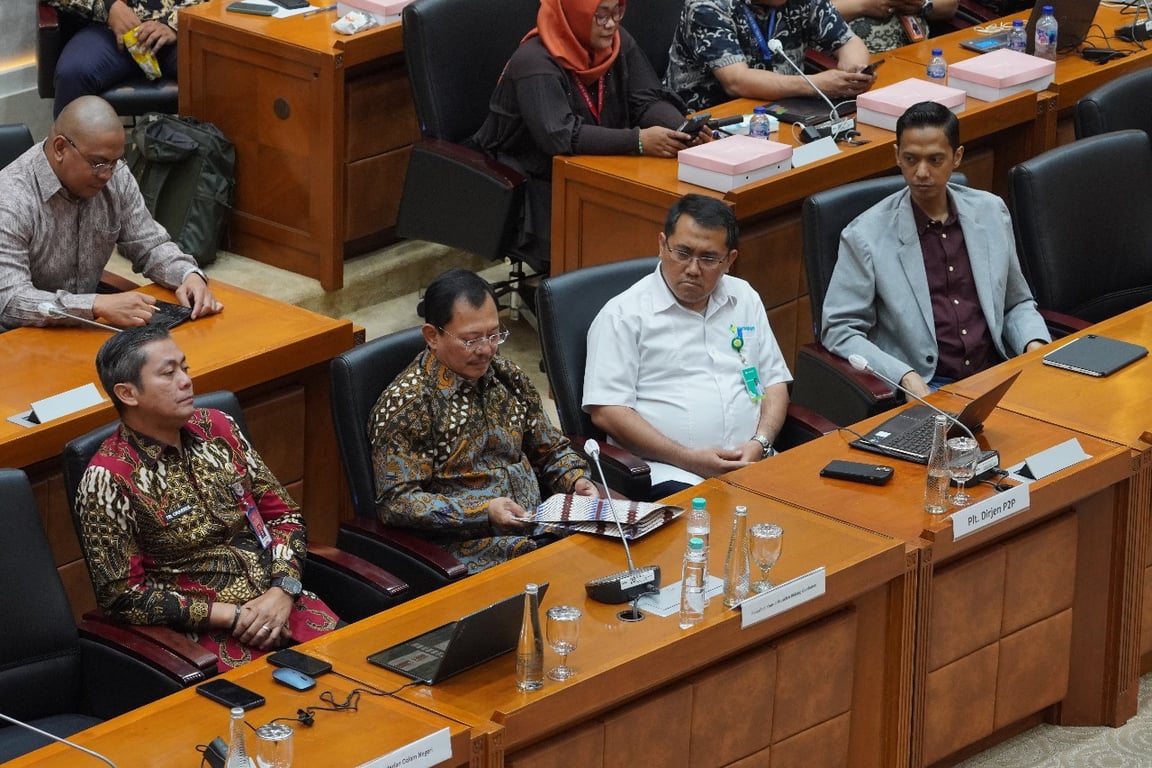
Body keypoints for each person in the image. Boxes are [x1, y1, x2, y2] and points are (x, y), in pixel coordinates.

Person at [77, 325, 338, 672]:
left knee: (372, 689)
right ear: (127, 393)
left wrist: (283, 589)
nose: (186, 381)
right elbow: (123, 598)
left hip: (285, 605)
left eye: (184, 368)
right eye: (168, 374)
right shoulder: (108, 478)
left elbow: (283, 516)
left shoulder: (218, 428)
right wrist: (233, 615)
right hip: (204, 639)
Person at [369, 269, 599, 573]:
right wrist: (483, 512)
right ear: (433, 336)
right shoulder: (409, 403)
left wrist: (575, 479)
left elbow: (551, 448)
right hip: (467, 548)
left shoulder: (507, 377)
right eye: (471, 339)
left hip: (539, 528)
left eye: (494, 335)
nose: (486, 350)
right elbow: (397, 502)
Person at [821, 101, 1049, 399]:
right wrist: (904, 376)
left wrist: (1035, 346)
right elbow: (839, 329)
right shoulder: (865, 236)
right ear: (897, 157)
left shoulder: (991, 212)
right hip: (929, 386)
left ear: (957, 157)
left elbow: (1015, 303)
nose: (922, 172)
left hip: (997, 373)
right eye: (911, 159)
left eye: (935, 160)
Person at [583, 194, 792, 500]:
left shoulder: (744, 297)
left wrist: (760, 442)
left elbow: (774, 380)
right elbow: (607, 411)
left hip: (756, 463)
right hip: (671, 472)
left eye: (708, 258)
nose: (693, 269)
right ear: (661, 245)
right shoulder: (623, 316)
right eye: (682, 252)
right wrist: (688, 458)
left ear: (729, 261)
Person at [471, 0, 696, 269]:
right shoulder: (534, 62)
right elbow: (560, 136)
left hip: (600, 165)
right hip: (532, 180)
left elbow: (645, 100)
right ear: (576, 14)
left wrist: (681, 129)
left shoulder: (616, 42)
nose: (611, 24)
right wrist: (637, 141)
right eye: (600, 15)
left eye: (617, 12)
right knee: (612, 237)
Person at [0, 95, 221, 331]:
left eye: (115, 161)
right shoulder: (10, 199)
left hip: (87, 327)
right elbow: (11, 300)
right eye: (98, 163)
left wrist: (187, 274)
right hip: (17, 338)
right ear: (60, 148)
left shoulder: (116, 177)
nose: (107, 175)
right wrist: (94, 304)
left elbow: (150, 245)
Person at [665, 0, 875, 113]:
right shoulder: (707, 6)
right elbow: (736, 81)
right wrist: (815, 84)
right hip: (713, 118)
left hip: (787, 107)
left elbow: (848, 41)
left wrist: (855, 70)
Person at [46, 0, 206, 117]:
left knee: (218, 71)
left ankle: (214, 157)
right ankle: (76, 160)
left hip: (181, 29)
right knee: (72, 74)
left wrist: (175, 23)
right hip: (105, 30)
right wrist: (107, 6)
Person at [832, 0, 957, 54]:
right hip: (861, 62)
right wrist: (863, 5)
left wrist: (922, 4)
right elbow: (814, 14)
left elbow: (950, 6)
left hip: (922, 53)